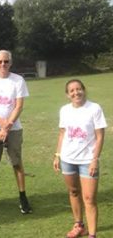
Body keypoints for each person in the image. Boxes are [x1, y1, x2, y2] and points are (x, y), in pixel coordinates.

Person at [0, 50, 32, 214]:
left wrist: (7, 127)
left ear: (11, 62)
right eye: (0, 61)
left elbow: (19, 106)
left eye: (6, 61)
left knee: (17, 163)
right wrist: (1, 124)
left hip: (14, 129)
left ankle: (23, 197)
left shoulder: (18, 80)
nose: (3, 64)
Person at [53, 79, 107, 238]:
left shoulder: (94, 108)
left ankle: (92, 234)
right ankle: (79, 225)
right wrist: (57, 155)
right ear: (67, 95)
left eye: (78, 89)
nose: (76, 93)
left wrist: (94, 159)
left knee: (89, 198)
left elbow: (100, 136)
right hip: (68, 159)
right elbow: (62, 133)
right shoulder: (64, 110)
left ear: (84, 90)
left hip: (87, 161)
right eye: (72, 91)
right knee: (74, 191)